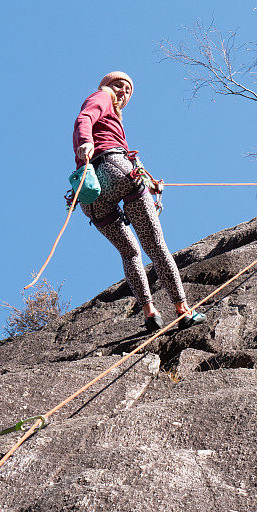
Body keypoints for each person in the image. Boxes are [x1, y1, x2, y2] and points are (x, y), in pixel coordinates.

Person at [73, 71, 206, 333]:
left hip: (90, 195)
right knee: (155, 245)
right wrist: (86, 141)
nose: (123, 92)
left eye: (128, 90)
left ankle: (150, 312)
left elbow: (126, 155)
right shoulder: (102, 96)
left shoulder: (112, 120)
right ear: (106, 86)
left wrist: (153, 183)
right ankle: (182, 310)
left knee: (130, 252)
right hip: (114, 171)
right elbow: (84, 118)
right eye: (118, 85)